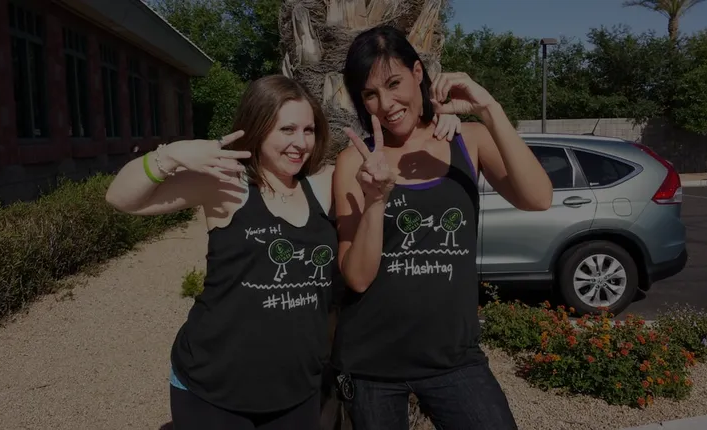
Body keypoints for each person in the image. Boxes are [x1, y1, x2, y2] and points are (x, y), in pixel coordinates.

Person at [104, 73, 463, 429]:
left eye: (308, 130)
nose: (300, 143)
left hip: (296, 392)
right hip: (212, 388)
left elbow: (397, 169)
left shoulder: (323, 184)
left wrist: (434, 127)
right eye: (287, 130)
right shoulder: (226, 185)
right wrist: (171, 155)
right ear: (258, 129)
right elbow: (121, 198)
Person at [330, 25, 554, 430]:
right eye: (370, 94)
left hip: (454, 358)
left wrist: (489, 108)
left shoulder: (468, 139)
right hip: (372, 363)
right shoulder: (355, 162)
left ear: (418, 72)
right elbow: (357, 278)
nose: (385, 104)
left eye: (393, 84)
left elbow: (538, 198)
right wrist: (376, 199)